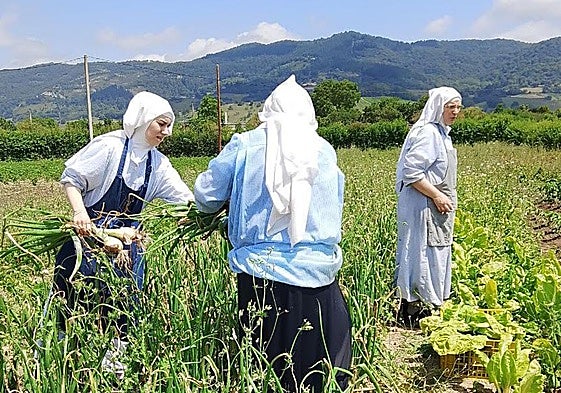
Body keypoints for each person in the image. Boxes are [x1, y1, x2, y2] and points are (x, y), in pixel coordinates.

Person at [193, 75, 352, 392]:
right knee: (317, 367)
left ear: (268, 111)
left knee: (265, 366)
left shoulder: (246, 144)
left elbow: (206, 195)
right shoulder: (322, 150)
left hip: (260, 275)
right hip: (318, 274)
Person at [52, 91, 194, 377]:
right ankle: (68, 366)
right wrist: (80, 214)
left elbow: (183, 199)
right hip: (88, 240)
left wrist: (197, 215)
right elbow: (72, 179)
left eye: (169, 126)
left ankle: (113, 370)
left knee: (123, 309)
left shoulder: (158, 164)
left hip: (126, 249)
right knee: (75, 305)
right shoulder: (110, 147)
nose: (166, 132)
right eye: (162, 124)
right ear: (143, 121)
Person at [394, 86, 462, 329]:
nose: (455, 111)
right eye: (450, 106)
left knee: (431, 251)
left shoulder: (441, 134)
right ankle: (417, 305)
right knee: (422, 253)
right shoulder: (428, 134)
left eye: (458, 107)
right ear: (438, 107)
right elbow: (411, 173)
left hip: (434, 206)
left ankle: (425, 302)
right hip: (424, 207)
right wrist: (437, 196)